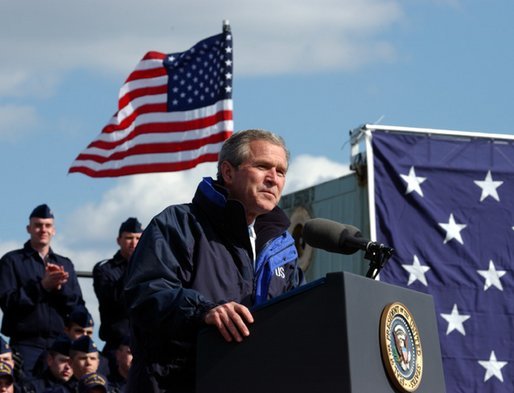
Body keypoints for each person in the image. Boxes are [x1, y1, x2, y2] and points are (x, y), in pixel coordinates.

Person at [124, 129, 305, 392]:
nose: (273, 179)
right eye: (262, 166)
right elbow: (145, 293)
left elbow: (303, 316)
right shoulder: (179, 224)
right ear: (228, 173)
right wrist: (203, 311)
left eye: (281, 171)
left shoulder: (282, 249)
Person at [0, 204, 84, 379]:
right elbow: (7, 302)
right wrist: (42, 286)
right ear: (29, 229)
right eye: (38, 225)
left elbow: (78, 308)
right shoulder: (12, 261)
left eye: (47, 225)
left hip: (59, 345)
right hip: (26, 344)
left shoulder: (65, 263)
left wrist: (60, 289)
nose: (42, 230)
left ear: (54, 230)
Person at [92, 218, 143, 366]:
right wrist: (135, 266)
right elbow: (115, 299)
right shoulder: (105, 269)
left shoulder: (151, 267)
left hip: (143, 343)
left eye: (138, 238)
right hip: (115, 344)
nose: (133, 243)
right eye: (128, 238)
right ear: (118, 240)